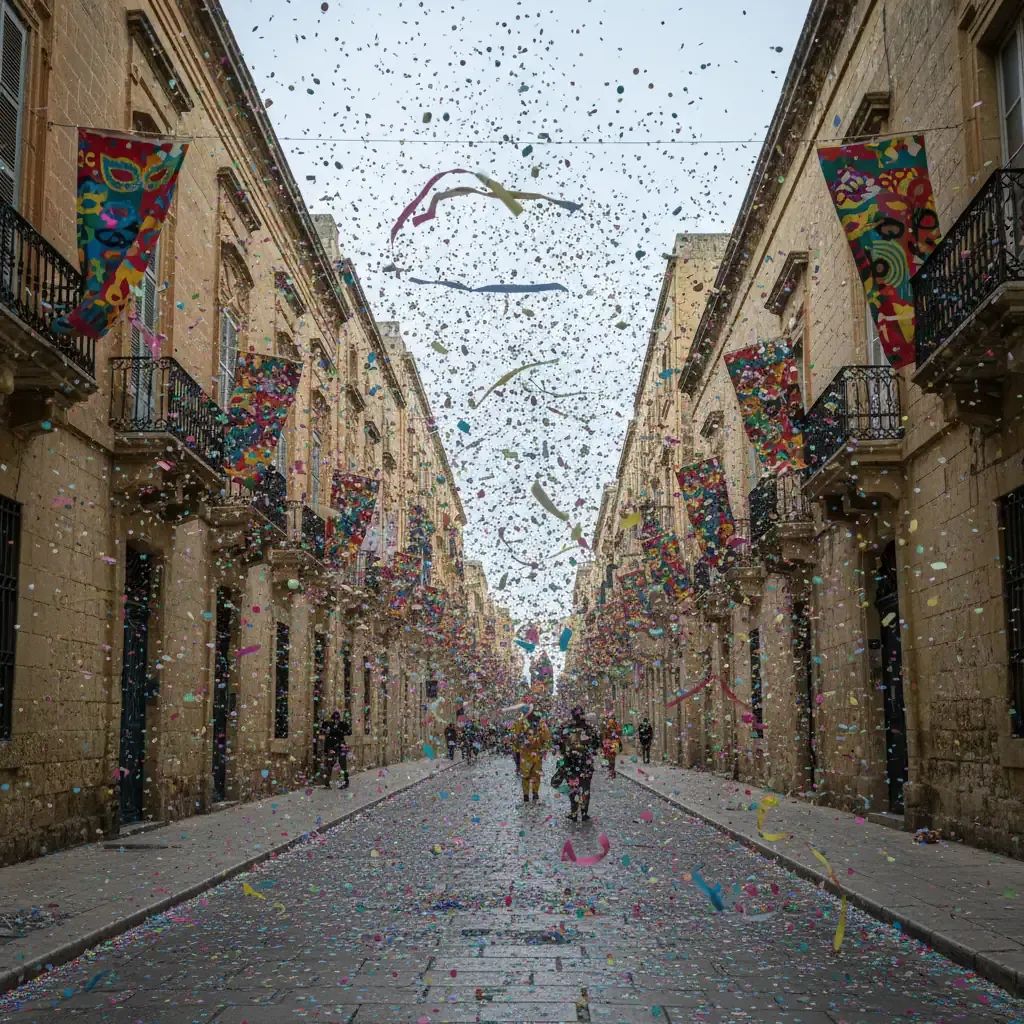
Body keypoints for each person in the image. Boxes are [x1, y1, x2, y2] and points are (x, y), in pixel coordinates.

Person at [555, 706, 600, 822]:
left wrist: (566, 751)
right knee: (585, 787)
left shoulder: (567, 728)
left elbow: (559, 742)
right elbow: (596, 744)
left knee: (573, 788)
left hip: (571, 763)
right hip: (585, 763)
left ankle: (574, 813)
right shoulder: (589, 729)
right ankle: (584, 813)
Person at [510, 706, 552, 803]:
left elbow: (545, 736)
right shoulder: (527, 722)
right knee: (530, 774)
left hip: (531, 752)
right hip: (529, 752)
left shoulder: (526, 722)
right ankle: (532, 793)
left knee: (530, 774)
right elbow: (546, 736)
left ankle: (531, 794)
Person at [321, 710, 351, 789]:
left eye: (337, 719)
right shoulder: (328, 724)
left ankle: (345, 782)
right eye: (335, 719)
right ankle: (327, 784)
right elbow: (323, 732)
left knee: (342, 764)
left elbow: (349, 732)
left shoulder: (342, 725)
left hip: (340, 746)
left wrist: (341, 730)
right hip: (332, 747)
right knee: (329, 765)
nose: (336, 721)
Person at [602, 714, 622, 779]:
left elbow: (619, 733)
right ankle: (611, 772)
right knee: (610, 758)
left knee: (612, 758)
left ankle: (612, 772)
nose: (611, 720)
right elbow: (605, 735)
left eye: (612, 719)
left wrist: (615, 732)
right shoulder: (607, 727)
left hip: (614, 744)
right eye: (610, 719)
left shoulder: (616, 726)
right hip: (609, 744)